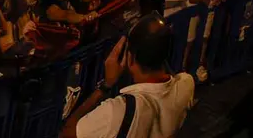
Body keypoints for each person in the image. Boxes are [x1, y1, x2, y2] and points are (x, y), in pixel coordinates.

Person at [60, 13, 195, 138]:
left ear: (130, 57)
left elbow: (67, 133)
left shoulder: (117, 111)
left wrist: (105, 86)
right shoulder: (186, 84)